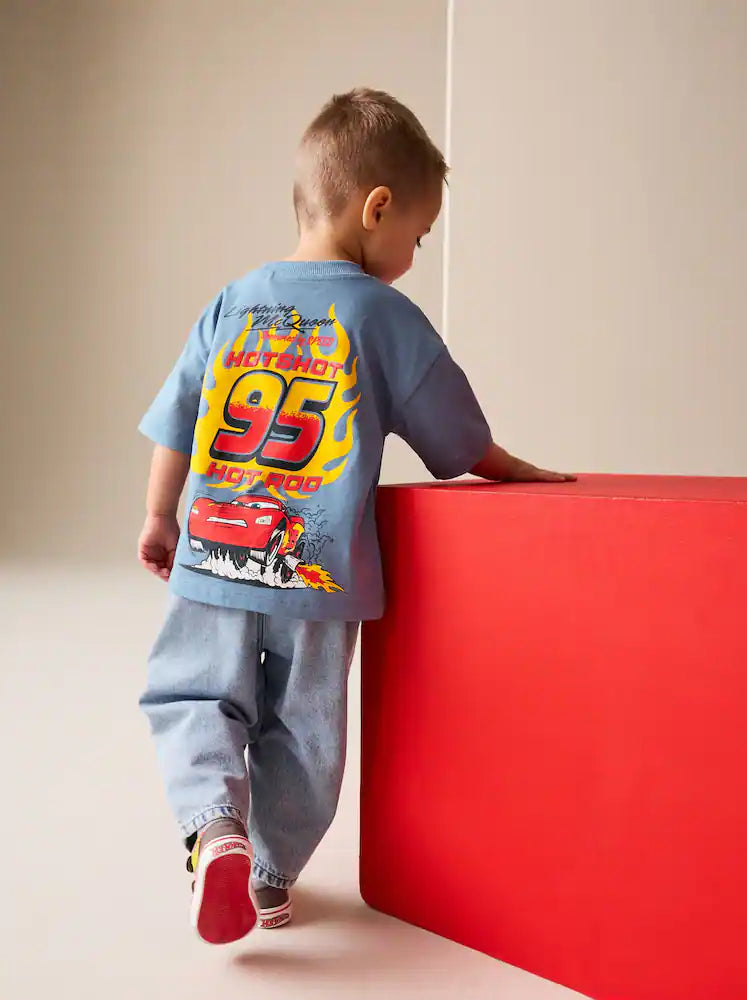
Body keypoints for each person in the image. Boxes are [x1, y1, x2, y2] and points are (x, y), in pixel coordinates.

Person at [137, 88, 574, 946]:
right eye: (418, 234)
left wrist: (160, 516)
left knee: (193, 692)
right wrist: (513, 466)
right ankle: (269, 874)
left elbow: (177, 420)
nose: (414, 252)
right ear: (377, 208)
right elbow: (458, 435)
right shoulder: (383, 316)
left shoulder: (232, 302)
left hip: (216, 552)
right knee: (304, 729)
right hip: (317, 570)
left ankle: (214, 829)